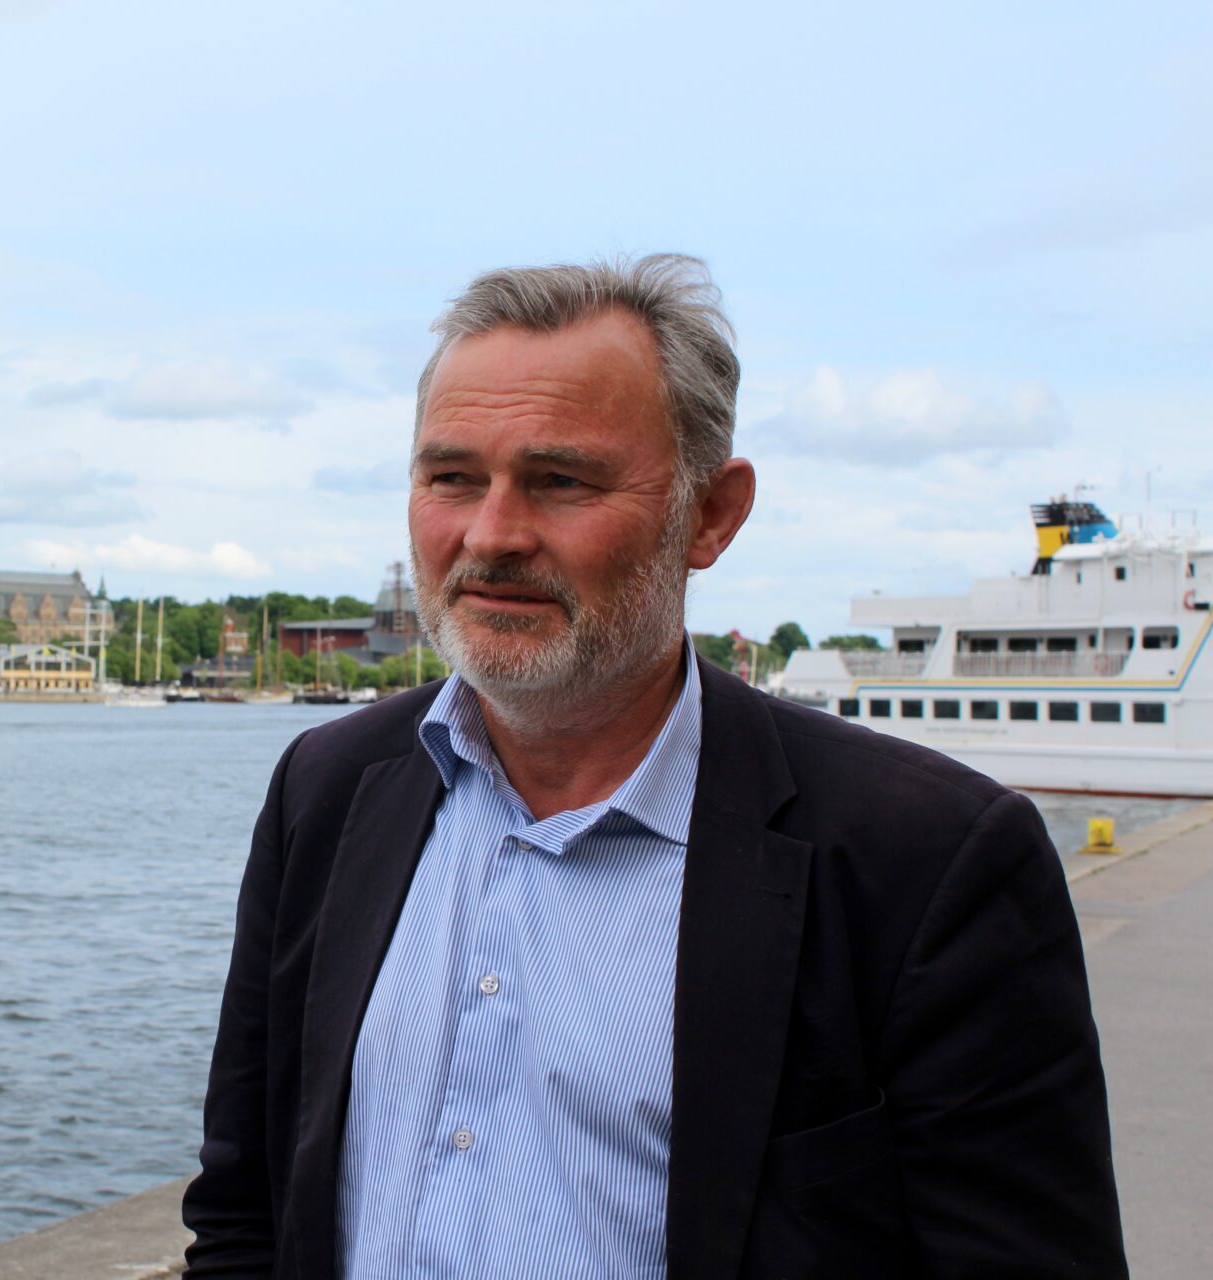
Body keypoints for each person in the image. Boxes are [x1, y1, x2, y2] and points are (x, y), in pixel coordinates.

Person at [182, 255, 1125, 1278]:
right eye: (453, 477)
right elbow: (245, 1211)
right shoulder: (325, 792)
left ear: (710, 514)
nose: (492, 534)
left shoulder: (926, 864)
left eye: (561, 481)